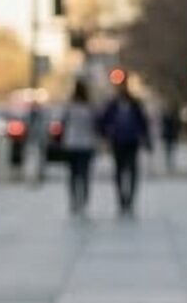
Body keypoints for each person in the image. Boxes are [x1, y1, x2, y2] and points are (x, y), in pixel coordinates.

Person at [96, 79, 149, 215]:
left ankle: (129, 200)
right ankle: (122, 200)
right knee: (120, 171)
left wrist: (145, 138)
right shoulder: (113, 105)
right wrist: (106, 134)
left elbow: (143, 122)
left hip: (131, 142)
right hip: (118, 142)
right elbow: (103, 120)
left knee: (132, 171)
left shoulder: (134, 104)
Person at [56, 78, 98, 215]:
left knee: (73, 175)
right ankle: (84, 200)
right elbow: (95, 125)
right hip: (86, 145)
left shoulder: (70, 107)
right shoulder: (90, 108)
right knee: (84, 174)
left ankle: (74, 200)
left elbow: (61, 123)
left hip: (72, 144)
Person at [158, 101, 180, 169]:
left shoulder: (173, 117)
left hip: (171, 135)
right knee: (168, 150)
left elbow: (176, 126)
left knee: (171, 150)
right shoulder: (166, 116)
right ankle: (168, 162)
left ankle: (170, 162)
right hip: (168, 135)